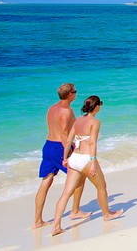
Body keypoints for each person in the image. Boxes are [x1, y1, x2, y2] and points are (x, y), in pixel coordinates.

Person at [51, 96, 124, 236]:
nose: (101, 106)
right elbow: (92, 143)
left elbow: (68, 141)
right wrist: (92, 162)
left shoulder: (78, 120)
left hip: (74, 158)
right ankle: (106, 214)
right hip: (86, 159)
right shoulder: (95, 122)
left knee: (66, 193)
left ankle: (56, 226)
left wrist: (65, 158)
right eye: (100, 104)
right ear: (96, 106)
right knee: (101, 187)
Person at [33, 83, 89, 229]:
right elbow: (64, 133)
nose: (76, 94)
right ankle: (75, 210)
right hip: (60, 147)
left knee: (46, 181)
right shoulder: (67, 110)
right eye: (75, 92)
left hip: (48, 145)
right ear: (69, 95)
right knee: (79, 175)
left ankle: (37, 220)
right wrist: (68, 154)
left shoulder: (52, 108)